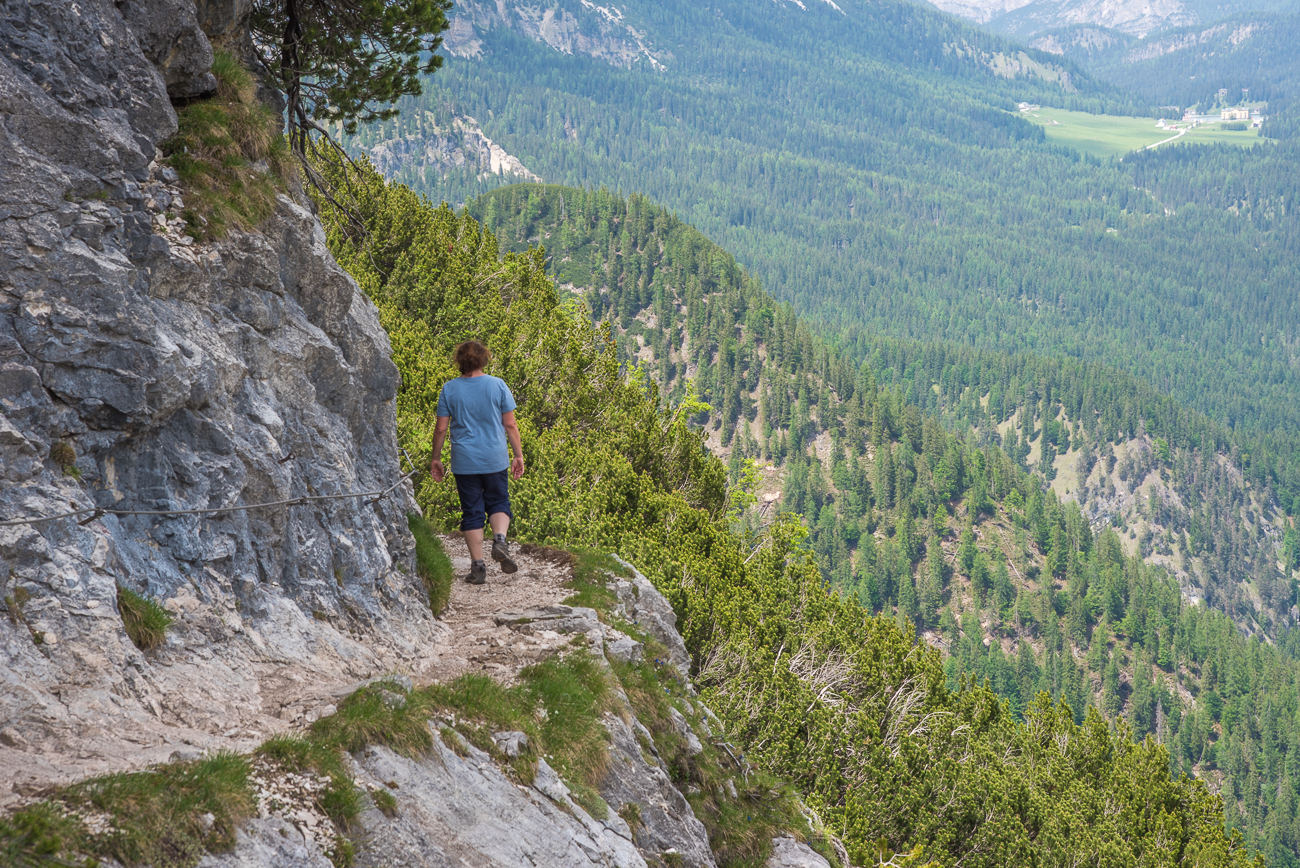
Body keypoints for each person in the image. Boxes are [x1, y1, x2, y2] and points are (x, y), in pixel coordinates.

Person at [429, 340, 525, 585]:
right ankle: (500, 540)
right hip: (495, 457)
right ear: (484, 359)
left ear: (459, 361)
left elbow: (441, 428)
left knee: (472, 510)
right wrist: (518, 455)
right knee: (499, 501)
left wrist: (436, 458)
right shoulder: (498, 385)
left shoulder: (449, 389)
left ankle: (478, 567)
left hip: (465, 460)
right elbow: (510, 424)